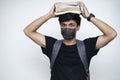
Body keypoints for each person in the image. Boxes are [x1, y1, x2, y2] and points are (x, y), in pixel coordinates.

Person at [23, 1, 117, 80]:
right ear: (60, 26)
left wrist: (89, 16)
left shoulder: (86, 46)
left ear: (78, 27)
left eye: (71, 25)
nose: (67, 27)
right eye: (63, 25)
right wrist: (49, 15)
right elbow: (28, 31)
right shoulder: (52, 45)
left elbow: (112, 34)